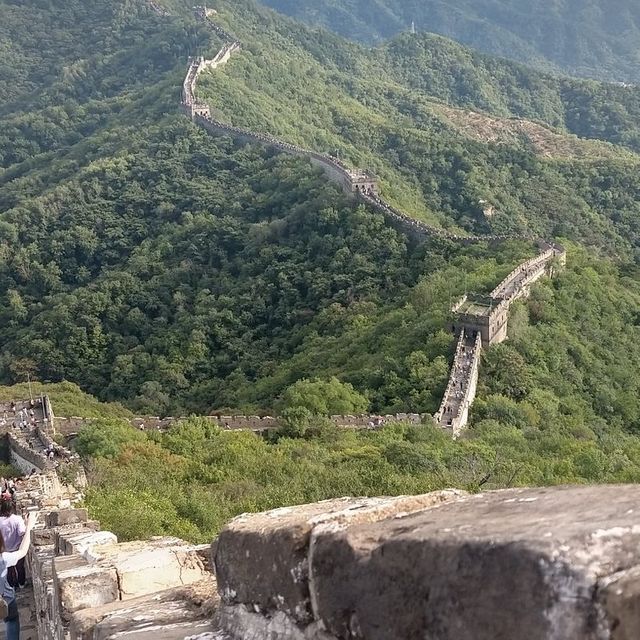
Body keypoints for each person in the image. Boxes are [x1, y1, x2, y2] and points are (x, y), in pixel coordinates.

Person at [0, 510, 37, 640]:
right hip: (5, 600)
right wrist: (29, 526)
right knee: (11, 619)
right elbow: (23, 551)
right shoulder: (2, 559)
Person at [0, 500, 25, 590]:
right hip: (17, 548)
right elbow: (22, 532)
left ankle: (12, 586)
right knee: (20, 567)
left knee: (8, 570)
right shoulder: (17, 519)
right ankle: (21, 584)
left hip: (4, 550)